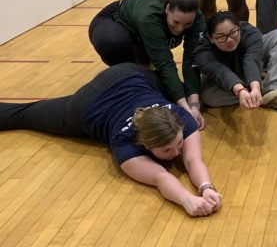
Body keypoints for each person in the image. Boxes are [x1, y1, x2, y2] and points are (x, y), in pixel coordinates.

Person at [0, 63, 222, 217]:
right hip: (88, 104)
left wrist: (207, 188)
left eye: (179, 144)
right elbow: (160, 178)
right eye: (166, 150)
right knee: (25, 115)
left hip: (129, 75)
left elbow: (194, 161)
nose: (176, 154)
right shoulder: (124, 143)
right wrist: (187, 200)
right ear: (144, 144)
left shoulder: (181, 119)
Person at [88, 0, 206, 128]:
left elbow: (191, 60)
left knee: (174, 88)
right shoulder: (149, 16)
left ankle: (141, 65)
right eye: (176, 22)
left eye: (187, 24)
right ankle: (127, 82)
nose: (180, 29)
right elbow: (165, 63)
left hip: (141, 33)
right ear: (167, 9)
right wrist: (184, 107)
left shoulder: (197, 17)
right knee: (115, 45)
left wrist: (194, 104)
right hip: (113, 22)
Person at [191, 12, 277, 110]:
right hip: (227, 78)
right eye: (221, 37)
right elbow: (221, 72)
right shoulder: (202, 52)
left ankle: (272, 88)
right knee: (208, 96)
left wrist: (255, 86)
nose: (229, 40)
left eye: (233, 32)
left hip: (250, 65)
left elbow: (251, 60)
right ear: (210, 38)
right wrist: (240, 91)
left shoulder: (248, 31)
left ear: (238, 27)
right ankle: (257, 94)